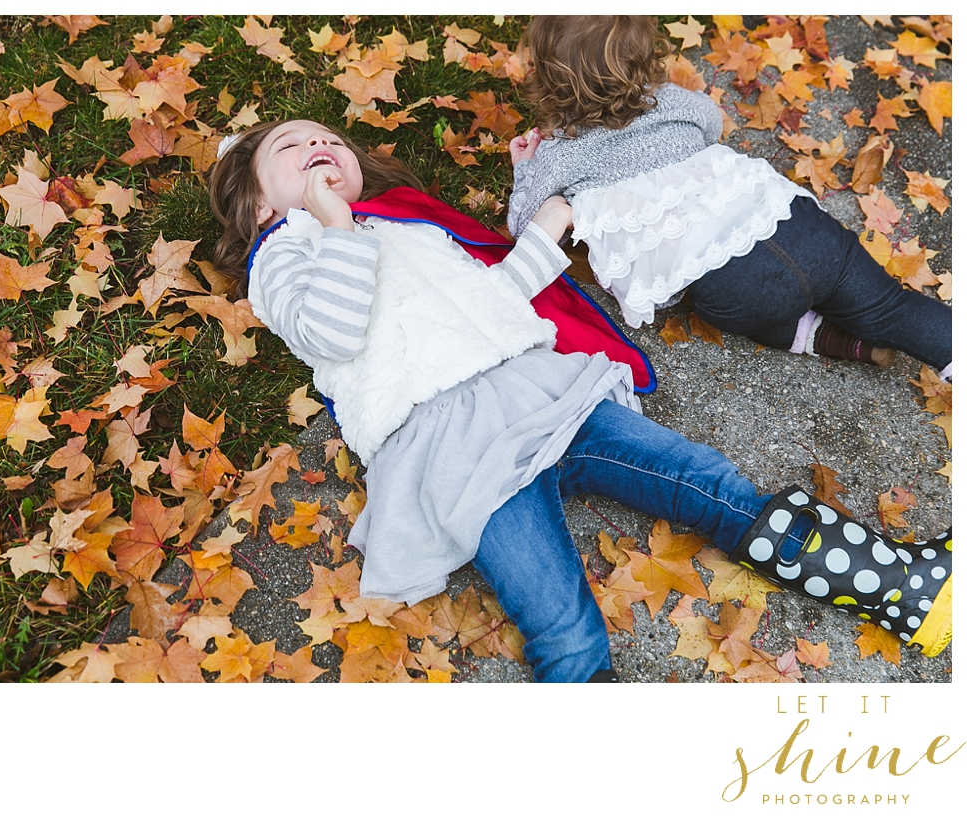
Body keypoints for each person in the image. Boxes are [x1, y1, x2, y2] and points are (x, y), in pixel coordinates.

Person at [206, 118, 950, 681]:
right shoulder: (281, 258)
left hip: (534, 387)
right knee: (562, 624)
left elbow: (494, 300)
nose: (314, 147)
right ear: (258, 204)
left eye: (323, 139)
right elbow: (331, 330)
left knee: (704, 480)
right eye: (289, 150)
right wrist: (333, 226)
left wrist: (549, 227)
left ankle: (897, 586)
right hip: (445, 446)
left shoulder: (408, 227)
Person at [508, 15, 950, 374]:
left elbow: (524, 226)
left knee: (754, 313)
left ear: (550, 80)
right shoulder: (669, 100)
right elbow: (712, 125)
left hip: (735, 287)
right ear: (644, 55)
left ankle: (831, 340)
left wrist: (525, 169)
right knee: (892, 307)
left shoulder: (560, 155)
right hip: (798, 228)